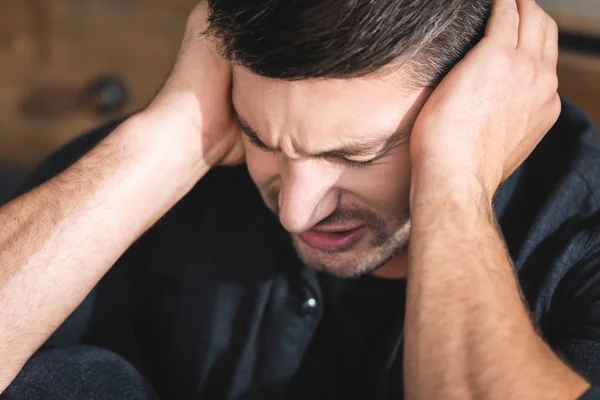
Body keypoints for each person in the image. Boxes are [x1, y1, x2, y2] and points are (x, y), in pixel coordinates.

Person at [1, 0, 600, 398]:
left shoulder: (582, 239)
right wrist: (171, 140)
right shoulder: (191, 155)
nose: (296, 210)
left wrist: (457, 180)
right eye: (262, 137)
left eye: (356, 156)